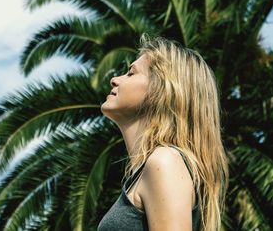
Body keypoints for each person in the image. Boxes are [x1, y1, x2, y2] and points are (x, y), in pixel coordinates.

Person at [98, 34, 229, 231]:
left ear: (161, 90)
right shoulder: (150, 169)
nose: (114, 80)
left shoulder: (165, 161)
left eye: (131, 73)